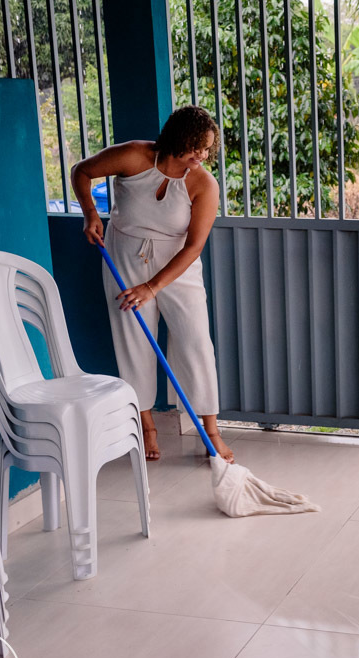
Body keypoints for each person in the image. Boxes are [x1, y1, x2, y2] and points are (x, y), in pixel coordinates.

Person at [70, 106, 234, 463]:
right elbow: (81, 171)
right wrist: (90, 214)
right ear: (177, 139)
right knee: (133, 340)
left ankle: (211, 431)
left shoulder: (204, 183)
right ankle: (146, 428)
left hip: (177, 266)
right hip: (125, 255)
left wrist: (152, 287)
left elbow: (194, 246)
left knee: (195, 343)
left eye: (207, 149)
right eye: (196, 147)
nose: (202, 156)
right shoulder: (133, 155)